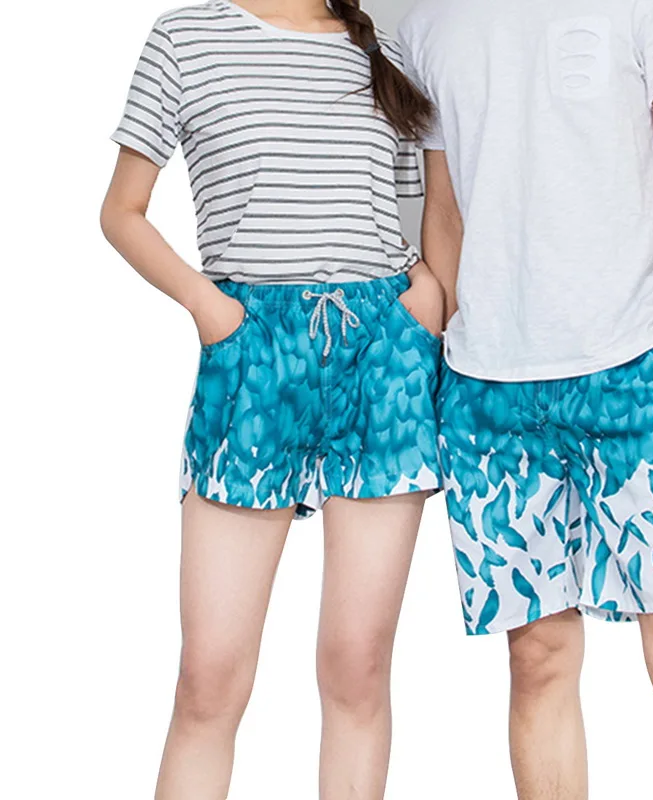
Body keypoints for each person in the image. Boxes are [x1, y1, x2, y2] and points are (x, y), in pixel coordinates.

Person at [398, 0, 653, 797]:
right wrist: (446, 355)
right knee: (538, 657)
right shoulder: (426, 23)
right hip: (487, 390)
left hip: (633, 371)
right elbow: (443, 208)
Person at [101, 1, 444, 797]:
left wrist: (423, 300)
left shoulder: (385, 48)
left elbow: (414, 207)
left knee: (357, 666)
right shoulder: (186, 36)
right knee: (210, 677)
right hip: (253, 349)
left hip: (382, 355)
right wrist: (210, 308)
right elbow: (121, 211)